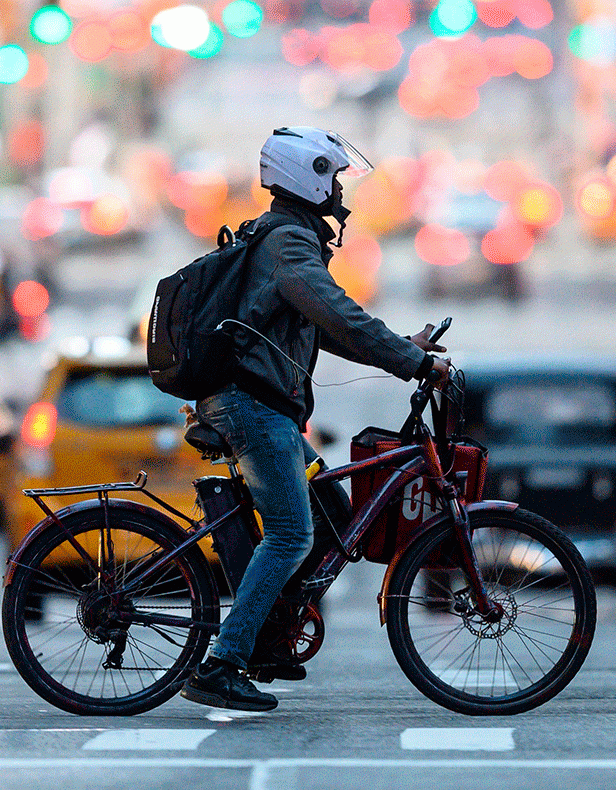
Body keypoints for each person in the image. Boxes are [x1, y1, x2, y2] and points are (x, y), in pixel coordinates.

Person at [181, 127, 450, 712]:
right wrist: (411, 362)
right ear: (308, 177)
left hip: (258, 404)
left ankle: (269, 639)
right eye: (333, 180)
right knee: (291, 533)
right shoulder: (289, 247)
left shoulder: (287, 240)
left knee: (329, 512)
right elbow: (340, 315)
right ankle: (223, 663)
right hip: (252, 406)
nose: (340, 196)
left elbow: (330, 330)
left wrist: (404, 347)